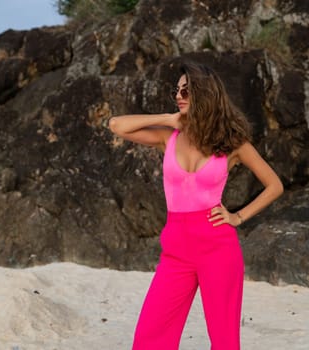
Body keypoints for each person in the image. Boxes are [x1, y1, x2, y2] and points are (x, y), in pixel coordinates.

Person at [105, 61, 283, 350]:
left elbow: (274, 185)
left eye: (186, 91)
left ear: (204, 94)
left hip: (218, 247)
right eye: (177, 90)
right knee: (149, 339)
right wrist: (168, 118)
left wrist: (238, 216)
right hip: (175, 251)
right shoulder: (168, 137)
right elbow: (116, 125)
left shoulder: (233, 144)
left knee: (224, 341)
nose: (179, 96)